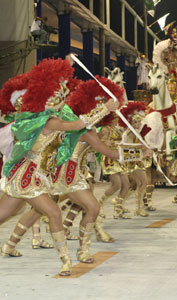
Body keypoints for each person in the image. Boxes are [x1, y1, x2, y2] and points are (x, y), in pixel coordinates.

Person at [0, 58, 119, 276]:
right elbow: (77, 125)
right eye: (57, 95)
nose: (62, 98)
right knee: (54, 213)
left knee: (3, 215)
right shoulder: (46, 121)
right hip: (27, 177)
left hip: (39, 176)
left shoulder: (54, 116)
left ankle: (72, 255)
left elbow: (75, 117)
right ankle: (66, 262)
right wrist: (104, 108)